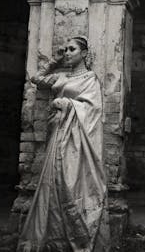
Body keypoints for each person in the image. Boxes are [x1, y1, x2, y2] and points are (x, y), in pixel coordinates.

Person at [17, 36, 110, 252]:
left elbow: (94, 109)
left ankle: (80, 233)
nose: (67, 52)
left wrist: (67, 103)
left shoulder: (90, 79)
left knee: (72, 183)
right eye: (65, 49)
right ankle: (54, 239)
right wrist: (54, 61)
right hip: (58, 134)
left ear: (84, 53)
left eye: (72, 49)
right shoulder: (59, 77)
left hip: (78, 140)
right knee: (55, 182)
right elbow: (37, 79)